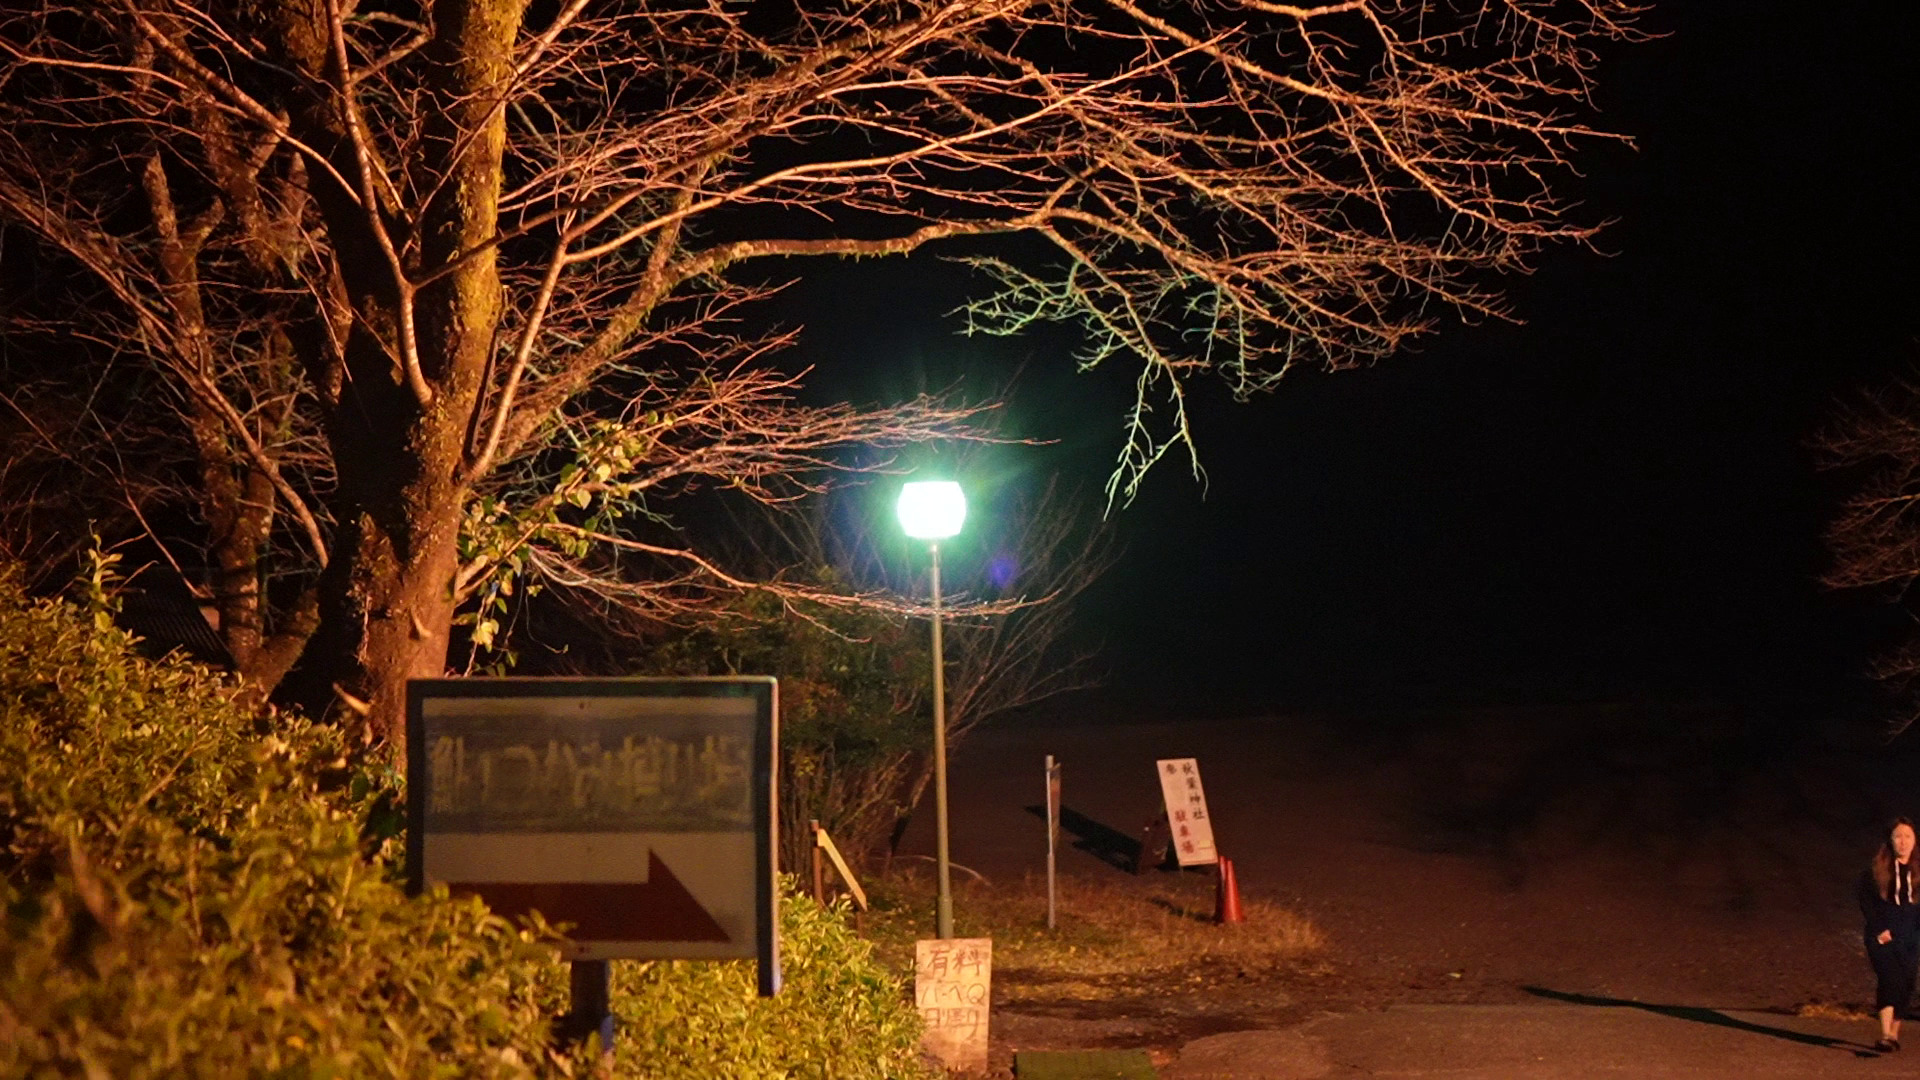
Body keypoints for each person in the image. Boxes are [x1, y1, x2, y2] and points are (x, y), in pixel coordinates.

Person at [1861, 817, 1920, 1052]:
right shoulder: (1876, 870)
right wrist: (1878, 929)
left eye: (1908, 836)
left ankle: (1893, 1035)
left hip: (1910, 936)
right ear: (1890, 840)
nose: (1903, 842)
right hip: (1882, 934)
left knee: (1905, 986)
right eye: (1898, 836)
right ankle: (1885, 1034)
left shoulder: (1918, 871)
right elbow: (1865, 901)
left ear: (1915, 840)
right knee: (1889, 980)